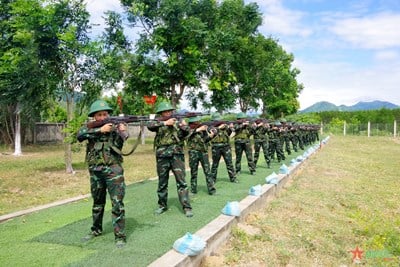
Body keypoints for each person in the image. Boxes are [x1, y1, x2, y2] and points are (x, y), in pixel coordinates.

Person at [77, 99, 128, 248]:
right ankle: (96, 230)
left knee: (117, 203)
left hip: (113, 170)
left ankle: (120, 236)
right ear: (94, 117)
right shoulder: (90, 128)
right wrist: (100, 130)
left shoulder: (117, 127)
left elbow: (124, 137)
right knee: (97, 203)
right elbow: (80, 135)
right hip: (96, 171)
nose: (102, 117)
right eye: (99, 115)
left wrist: (121, 128)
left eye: (105, 114)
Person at [147, 101, 193, 217]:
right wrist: (165, 123)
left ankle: (186, 207)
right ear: (161, 113)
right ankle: (162, 205)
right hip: (162, 157)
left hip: (176, 155)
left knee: (181, 182)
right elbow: (149, 125)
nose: (168, 113)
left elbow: (188, 132)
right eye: (165, 112)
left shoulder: (178, 121)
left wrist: (183, 126)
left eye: (169, 111)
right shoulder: (158, 122)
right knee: (162, 182)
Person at [186, 116, 217, 195]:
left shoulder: (202, 130)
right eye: (197, 122)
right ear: (192, 123)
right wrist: (199, 129)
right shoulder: (188, 129)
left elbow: (204, 141)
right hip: (193, 152)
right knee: (194, 172)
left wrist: (210, 137)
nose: (199, 123)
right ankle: (193, 190)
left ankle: (211, 190)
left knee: (207, 172)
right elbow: (187, 136)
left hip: (203, 152)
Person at [209, 113, 238, 183]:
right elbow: (212, 132)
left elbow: (229, 133)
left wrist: (229, 127)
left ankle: (233, 178)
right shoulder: (210, 127)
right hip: (216, 147)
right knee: (215, 164)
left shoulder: (225, 127)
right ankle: (213, 179)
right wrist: (219, 127)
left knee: (229, 163)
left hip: (225, 146)